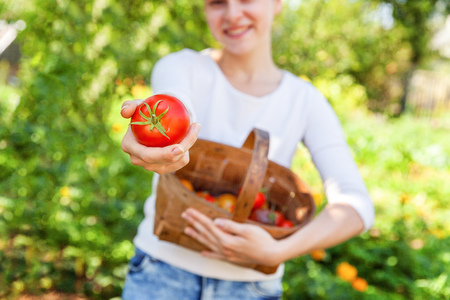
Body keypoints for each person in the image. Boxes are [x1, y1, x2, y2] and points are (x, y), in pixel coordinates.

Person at [120, 0, 375, 299]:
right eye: (217, 2)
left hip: (252, 289)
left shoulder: (305, 101)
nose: (232, 14)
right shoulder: (181, 67)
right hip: (159, 275)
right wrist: (163, 138)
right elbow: (177, 104)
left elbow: (357, 206)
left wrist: (277, 251)